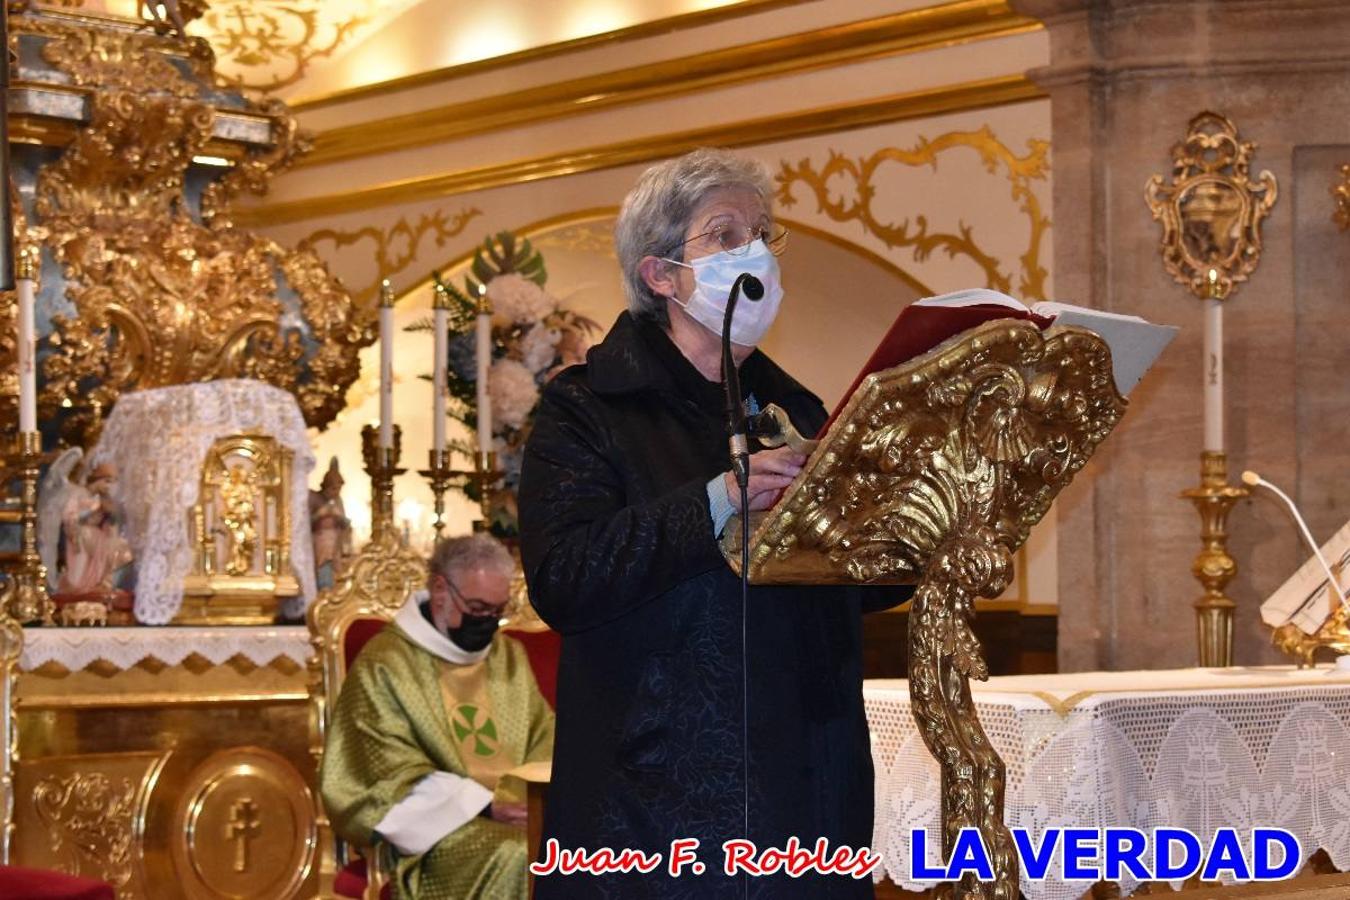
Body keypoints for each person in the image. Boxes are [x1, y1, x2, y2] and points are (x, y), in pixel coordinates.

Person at [518, 147, 912, 899]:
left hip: (805, 782)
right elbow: (565, 579)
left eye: (762, 230)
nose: (755, 250)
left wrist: (925, 522)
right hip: (656, 797)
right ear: (659, 275)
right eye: (725, 235)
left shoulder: (798, 413)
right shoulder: (588, 411)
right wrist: (716, 501)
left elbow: (849, 588)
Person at [320, 534, 554, 900]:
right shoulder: (387, 664)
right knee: (521, 855)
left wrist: (536, 804)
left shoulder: (509, 657)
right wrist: (484, 805)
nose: (490, 622)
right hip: (431, 836)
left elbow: (546, 740)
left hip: (520, 816)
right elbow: (377, 775)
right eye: (479, 608)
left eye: (498, 611)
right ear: (441, 590)